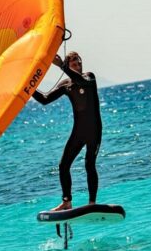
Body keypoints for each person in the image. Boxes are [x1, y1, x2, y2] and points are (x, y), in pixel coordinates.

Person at [32, 52, 102, 211]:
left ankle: (92, 203)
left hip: (94, 130)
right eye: (73, 64)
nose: (77, 66)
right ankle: (67, 201)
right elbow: (45, 99)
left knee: (89, 164)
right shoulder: (66, 85)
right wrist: (28, 87)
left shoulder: (89, 77)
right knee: (63, 165)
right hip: (79, 131)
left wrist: (63, 67)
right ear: (68, 65)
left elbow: (81, 81)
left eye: (78, 63)